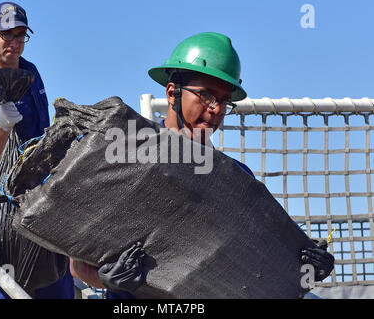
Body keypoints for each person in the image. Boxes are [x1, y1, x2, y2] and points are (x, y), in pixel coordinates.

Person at [70, 32, 335, 299]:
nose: (216, 109)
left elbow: (255, 261)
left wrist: (302, 264)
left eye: (223, 101)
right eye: (206, 96)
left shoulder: (237, 178)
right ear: (173, 92)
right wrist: (106, 279)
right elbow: (78, 266)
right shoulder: (127, 160)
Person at [0, 2, 74, 299]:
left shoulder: (30, 70)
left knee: (57, 286)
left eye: (20, 35)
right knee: (10, 291)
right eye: (6, 35)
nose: (14, 43)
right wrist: (3, 125)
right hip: (4, 214)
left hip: (41, 205)